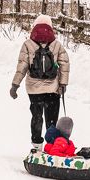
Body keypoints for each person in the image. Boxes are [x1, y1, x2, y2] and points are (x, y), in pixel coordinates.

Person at [9, 13, 70, 151]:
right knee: (52, 120)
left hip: (34, 90)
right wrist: (63, 83)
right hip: (52, 90)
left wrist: (15, 85)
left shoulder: (28, 44)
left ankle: (36, 147)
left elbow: (22, 67)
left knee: (37, 117)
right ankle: (52, 147)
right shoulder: (56, 44)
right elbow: (65, 64)